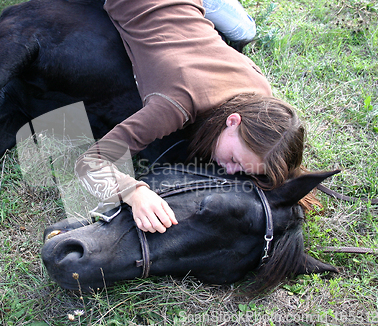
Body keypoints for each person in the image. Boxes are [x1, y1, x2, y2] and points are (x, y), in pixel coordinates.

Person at [75, 0, 305, 234]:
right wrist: (133, 192)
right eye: (235, 160)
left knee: (245, 31)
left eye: (243, 170)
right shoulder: (176, 105)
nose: (231, 171)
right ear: (233, 121)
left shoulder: (260, 90)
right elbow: (89, 163)